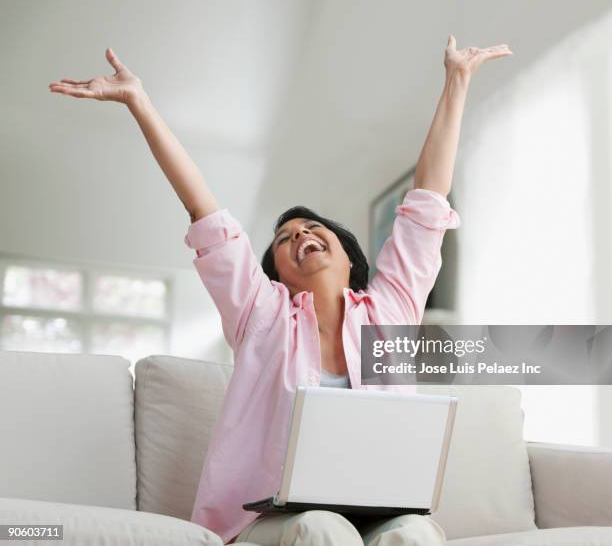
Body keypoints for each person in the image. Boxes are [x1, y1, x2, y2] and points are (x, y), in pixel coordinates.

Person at [49, 35, 512, 545]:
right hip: (270, 522)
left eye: (313, 229)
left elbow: (427, 202)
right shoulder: (260, 312)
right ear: (277, 273)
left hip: (378, 511)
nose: (302, 237)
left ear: (346, 251)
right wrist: (139, 102)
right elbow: (205, 210)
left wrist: (457, 81)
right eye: (286, 239)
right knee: (322, 528)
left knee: (415, 534)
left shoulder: (391, 307)